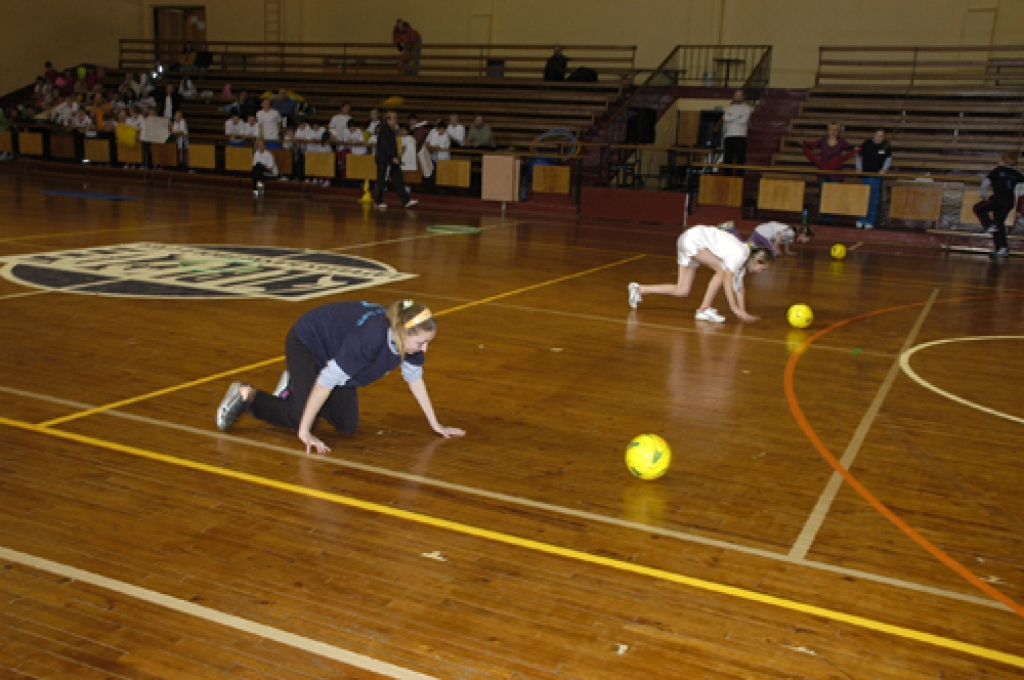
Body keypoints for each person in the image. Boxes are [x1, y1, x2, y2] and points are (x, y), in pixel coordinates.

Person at [215, 299, 464, 454]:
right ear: (402, 333)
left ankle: (296, 386)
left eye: (428, 343)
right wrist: (304, 432)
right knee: (301, 419)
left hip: (338, 355)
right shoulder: (368, 342)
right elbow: (326, 382)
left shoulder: (409, 345)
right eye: (421, 343)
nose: (425, 349)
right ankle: (247, 396)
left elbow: (415, 381)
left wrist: (435, 423)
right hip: (309, 343)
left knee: (347, 426)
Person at [627, 224, 774, 323]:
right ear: (757, 261)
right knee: (722, 270)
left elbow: (739, 289)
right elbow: (727, 279)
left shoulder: (741, 263)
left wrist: (743, 312)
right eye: (763, 268)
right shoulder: (742, 253)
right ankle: (704, 309)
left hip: (688, 241)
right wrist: (735, 309)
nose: (761, 272)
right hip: (693, 240)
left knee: (682, 290)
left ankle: (639, 289)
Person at [802, 121, 855, 225]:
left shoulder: (842, 142)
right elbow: (811, 146)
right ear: (828, 131)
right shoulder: (822, 141)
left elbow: (849, 151)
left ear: (838, 131)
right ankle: (822, 218)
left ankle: (830, 219)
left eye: (835, 129)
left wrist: (856, 150)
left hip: (836, 173)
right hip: (823, 172)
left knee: (833, 196)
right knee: (823, 195)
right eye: (831, 129)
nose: (833, 131)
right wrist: (803, 143)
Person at [974, 151, 1024, 258]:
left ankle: (988, 224)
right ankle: (1002, 247)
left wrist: (983, 193)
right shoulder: (1015, 173)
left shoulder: (997, 170)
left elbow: (986, 181)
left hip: (998, 198)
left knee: (978, 208)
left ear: (1002, 160)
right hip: (1009, 201)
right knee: (999, 223)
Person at [374, 110, 418, 210]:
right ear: (388, 120)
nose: (396, 120)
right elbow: (385, 147)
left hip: (391, 159)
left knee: (398, 178)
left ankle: (405, 200)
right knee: (381, 179)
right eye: (394, 118)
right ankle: (378, 201)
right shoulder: (385, 130)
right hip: (384, 159)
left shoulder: (392, 130)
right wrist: (392, 157)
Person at [855, 128, 892, 230]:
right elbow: (858, 155)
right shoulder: (866, 144)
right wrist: (859, 168)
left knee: (874, 200)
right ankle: (861, 219)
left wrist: (884, 170)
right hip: (866, 175)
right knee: (864, 198)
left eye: (882, 136)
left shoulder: (886, 146)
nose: (879, 138)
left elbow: (888, 159)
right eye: (878, 135)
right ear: (874, 135)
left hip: (877, 176)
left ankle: (870, 221)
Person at [722, 89, 752, 177]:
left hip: (741, 136)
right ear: (734, 96)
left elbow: (744, 120)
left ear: (743, 97)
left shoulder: (747, 108)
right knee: (728, 159)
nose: (738, 97)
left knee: (740, 159)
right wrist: (738, 117)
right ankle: (727, 178)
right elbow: (726, 118)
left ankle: (740, 179)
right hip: (729, 136)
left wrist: (732, 117)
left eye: (740, 95)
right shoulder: (729, 108)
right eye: (736, 95)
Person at [747, 221, 812, 257]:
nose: (807, 241)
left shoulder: (792, 234)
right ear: (803, 235)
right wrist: (775, 246)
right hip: (765, 233)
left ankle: (752, 245)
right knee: (775, 253)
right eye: (807, 238)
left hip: (758, 230)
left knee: (749, 244)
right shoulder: (791, 232)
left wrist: (787, 251)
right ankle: (758, 248)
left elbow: (787, 241)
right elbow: (779, 234)